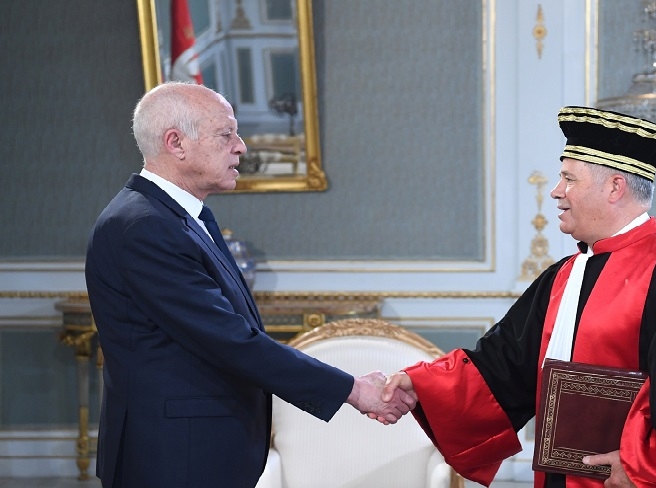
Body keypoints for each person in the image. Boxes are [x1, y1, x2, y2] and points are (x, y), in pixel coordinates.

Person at [382, 106, 656, 488]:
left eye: (569, 179)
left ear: (615, 187)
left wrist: (644, 466)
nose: (556, 191)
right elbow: (503, 366)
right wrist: (423, 385)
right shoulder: (565, 275)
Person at [85, 81, 415, 488]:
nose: (241, 147)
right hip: (173, 458)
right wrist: (354, 390)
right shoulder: (143, 227)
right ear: (176, 143)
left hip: (194, 453)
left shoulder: (179, 218)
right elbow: (230, 340)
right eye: (226, 134)